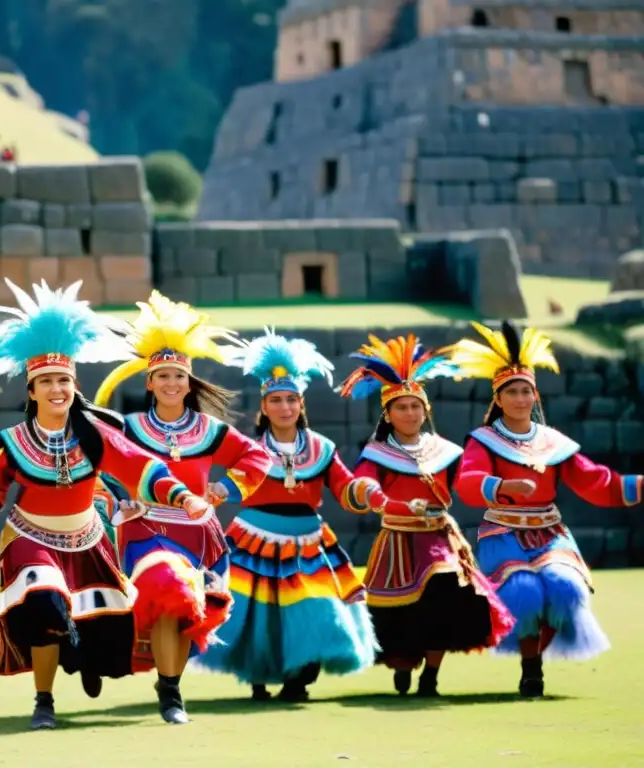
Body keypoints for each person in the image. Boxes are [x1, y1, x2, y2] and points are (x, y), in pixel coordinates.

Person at [0, 279, 212, 730]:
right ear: (32, 391)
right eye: (46, 381)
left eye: (64, 381)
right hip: (29, 537)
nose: (57, 388)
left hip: (89, 539)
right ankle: (44, 702)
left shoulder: (95, 434)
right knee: (44, 601)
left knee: (106, 635)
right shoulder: (11, 441)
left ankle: (90, 660)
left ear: (74, 386)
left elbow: (140, 468)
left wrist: (184, 495)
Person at [93, 291, 272, 724]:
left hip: (198, 532)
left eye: (179, 375)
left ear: (189, 381)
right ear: (149, 383)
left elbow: (257, 458)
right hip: (145, 530)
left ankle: (166, 680)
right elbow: (93, 465)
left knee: (186, 611)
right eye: (163, 376)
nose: (172, 383)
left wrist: (225, 488)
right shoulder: (128, 428)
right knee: (166, 587)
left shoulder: (210, 430)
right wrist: (118, 501)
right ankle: (172, 695)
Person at [449, 321, 642, 697]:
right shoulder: (484, 441)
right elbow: (468, 481)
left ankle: (538, 650)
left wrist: (636, 485)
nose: (521, 399)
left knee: (565, 587)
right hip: (504, 533)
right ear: (498, 400)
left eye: (526, 391)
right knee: (523, 591)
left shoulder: (552, 442)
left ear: (535, 397)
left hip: (549, 531)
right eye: (512, 392)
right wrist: (502, 486)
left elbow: (595, 480)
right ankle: (530, 668)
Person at [195, 328, 383, 701]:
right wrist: (216, 491)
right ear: (264, 406)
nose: (284, 407)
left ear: (301, 405)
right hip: (254, 537)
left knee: (314, 608)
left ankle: (299, 680)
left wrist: (365, 491)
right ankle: (258, 680)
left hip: (307, 540)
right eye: (276, 400)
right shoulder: (250, 449)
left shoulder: (321, 449)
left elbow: (345, 488)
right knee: (256, 615)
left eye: (291, 400)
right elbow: (236, 482)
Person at [338, 333, 514, 696]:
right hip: (398, 539)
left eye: (415, 406)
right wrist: (375, 495)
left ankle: (431, 675)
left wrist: (498, 486)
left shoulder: (445, 451)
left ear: (426, 409)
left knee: (445, 592)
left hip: (439, 536)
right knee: (401, 612)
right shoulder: (376, 454)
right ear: (388, 413)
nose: (409, 413)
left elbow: (467, 482)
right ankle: (404, 665)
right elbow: (365, 486)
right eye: (401, 407)